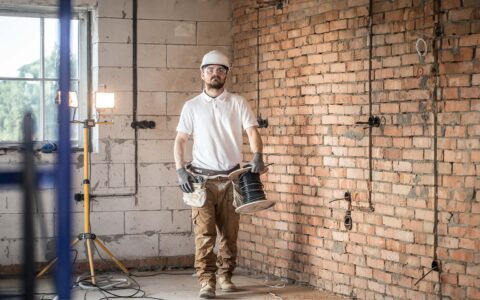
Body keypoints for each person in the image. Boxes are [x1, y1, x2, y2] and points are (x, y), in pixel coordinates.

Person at [173, 50, 265, 299]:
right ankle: (206, 281)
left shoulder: (238, 102)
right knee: (204, 235)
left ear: (226, 75)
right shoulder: (191, 106)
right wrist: (180, 170)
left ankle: (225, 276)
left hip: (232, 179)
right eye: (211, 70)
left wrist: (258, 155)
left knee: (229, 234)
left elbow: (252, 131)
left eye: (221, 70)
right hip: (202, 182)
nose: (216, 74)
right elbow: (181, 139)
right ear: (202, 74)